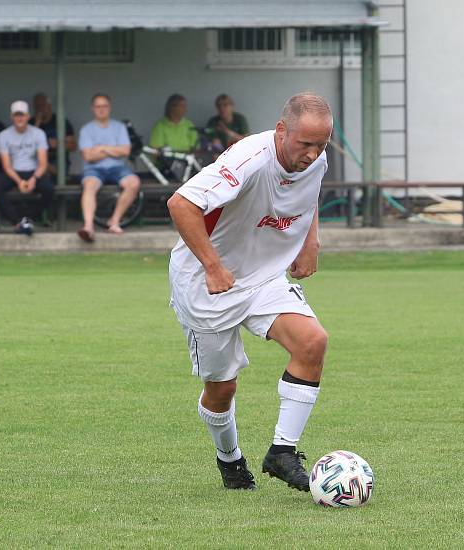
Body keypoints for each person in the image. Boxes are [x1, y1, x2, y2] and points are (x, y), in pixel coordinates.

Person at [167, 93, 332, 491]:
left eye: (321, 145)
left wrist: (310, 242)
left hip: (263, 276)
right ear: (281, 131)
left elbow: (307, 197)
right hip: (207, 282)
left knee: (312, 343)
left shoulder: (317, 160)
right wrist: (213, 265)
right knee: (221, 389)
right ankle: (230, 459)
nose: (312, 155)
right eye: (305, 144)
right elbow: (181, 203)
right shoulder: (249, 159)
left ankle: (282, 452)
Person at [77, 93, 140, 241]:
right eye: (98, 106)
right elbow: (88, 156)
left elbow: (125, 151)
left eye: (104, 106)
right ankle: (88, 227)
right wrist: (113, 150)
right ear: (92, 109)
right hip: (94, 168)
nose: (101, 109)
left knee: (134, 183)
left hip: (117, 168)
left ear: (109, 107)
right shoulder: (86, 129)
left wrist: (101, 148)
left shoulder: (119, 127)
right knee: (89, 185)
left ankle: (114, 221)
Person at [0, 100, 54, 236]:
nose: (19, 118)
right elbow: (6, 166)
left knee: (49, 188)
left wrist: (34, 179)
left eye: (22, 115)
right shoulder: (3, 135)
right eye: (16, 115)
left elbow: (43, 164)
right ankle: (16, 222)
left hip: (34, 171)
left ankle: (29, 219)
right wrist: (19, 181)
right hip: (13, 172)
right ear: (12, 117)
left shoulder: (38, 134)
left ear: (28, 116)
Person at [30, 93, 75, 177]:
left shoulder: (61, 121)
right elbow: (26, 145)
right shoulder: (31, 123)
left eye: (42, 105)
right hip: (37, 159)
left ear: (49, 106)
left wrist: (58, 144)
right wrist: (37, 123)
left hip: (57, 159)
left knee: (49, 166)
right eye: (37, 106)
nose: (40, 109)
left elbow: (72, 146)